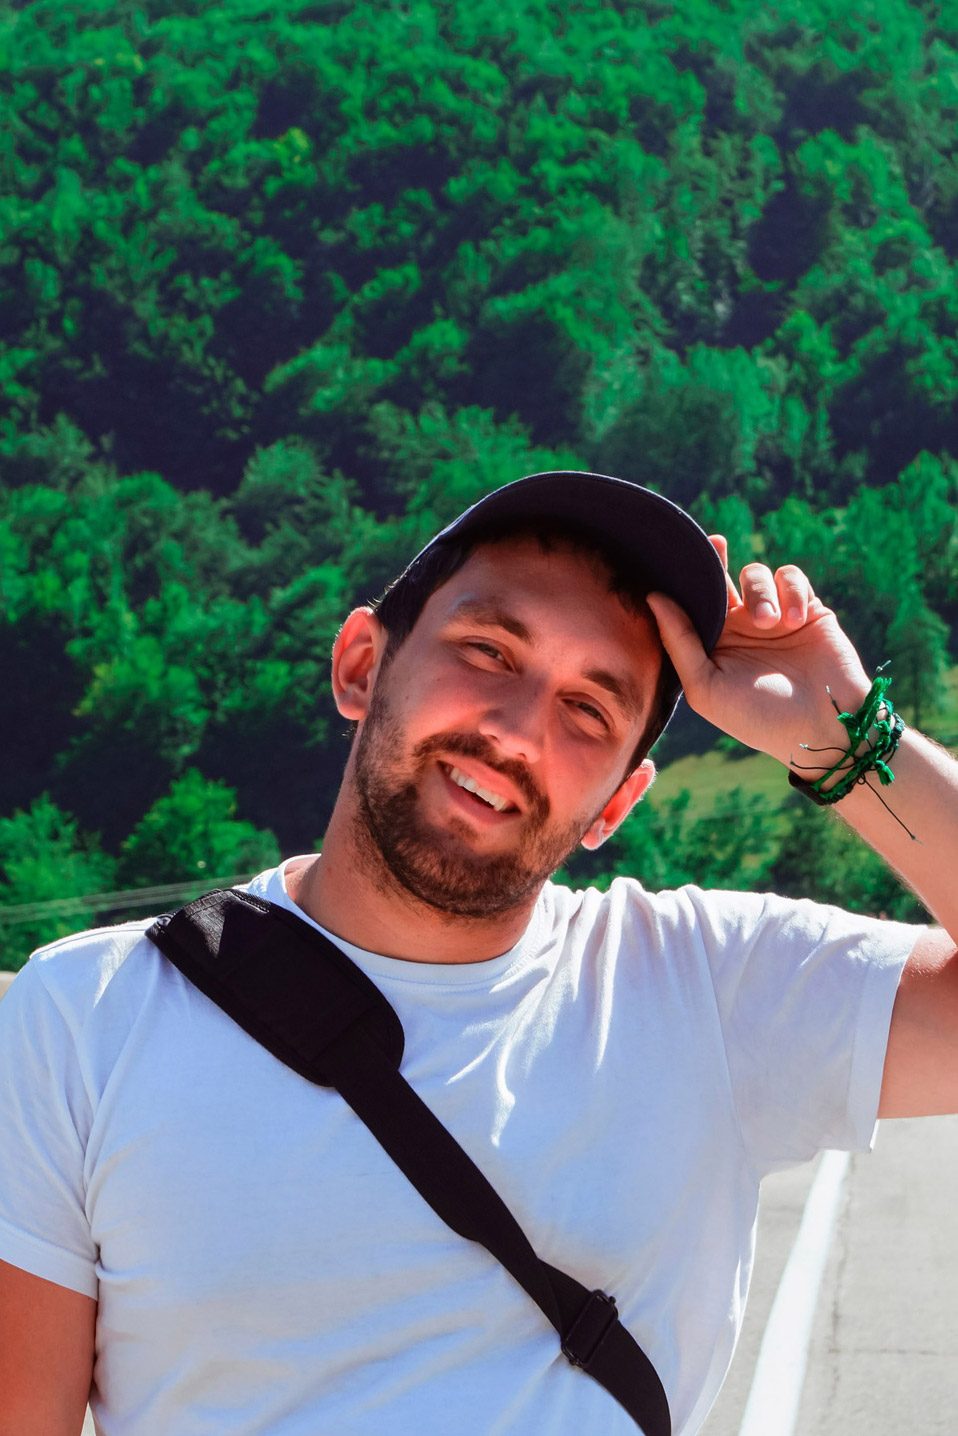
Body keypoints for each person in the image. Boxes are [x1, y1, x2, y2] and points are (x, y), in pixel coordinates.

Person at [1, 469, 956, 1436]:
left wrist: (848, 732)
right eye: (489, 652)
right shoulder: (82, 1020)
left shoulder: (710, 989)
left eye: (590, 710)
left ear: (616, 806)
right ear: (361, 666)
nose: (517, 731)